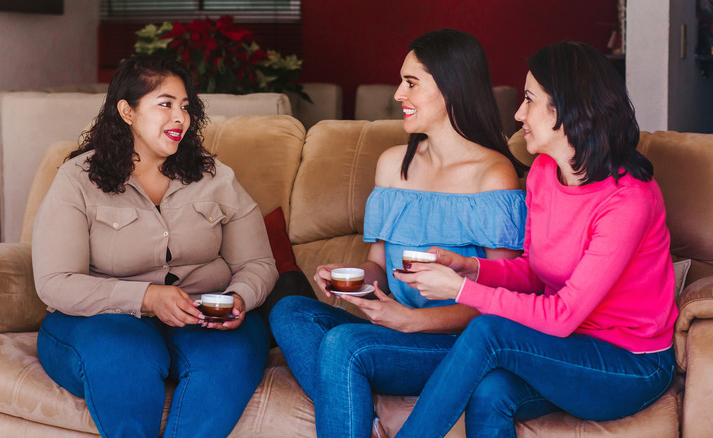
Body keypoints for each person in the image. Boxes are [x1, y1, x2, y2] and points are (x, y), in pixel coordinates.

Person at [394, 41, 679, 438]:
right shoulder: (545, 170)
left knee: (487, 330)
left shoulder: (628, 200)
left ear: (565, 109)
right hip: (565, 351)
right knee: (490, 392)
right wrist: (471, 269)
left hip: (629, 365)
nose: (517, 113)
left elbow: (561, 316)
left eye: (528, 100)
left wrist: (461, 291)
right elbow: (534, 271)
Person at [269, 29, 528, 438]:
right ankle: (364, 419)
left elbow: (507, 302)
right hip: (392, 334)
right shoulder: (394, 166)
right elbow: (377, 267)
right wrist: (354, 282)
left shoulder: (492, 175)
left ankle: (351, 400)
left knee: (344, 346)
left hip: (457, 346)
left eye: (411, 83)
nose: (397, 95)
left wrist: (411, 322)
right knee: (289, 312)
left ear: (451, 87)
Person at [32, 56, 278, 438]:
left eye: (185, 107)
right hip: (102, 321)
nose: (179, 117)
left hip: (202, 318)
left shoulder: (216, 176)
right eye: (165, 104)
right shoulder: (77, 180)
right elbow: (55, 281)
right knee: (125, 357)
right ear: (127, 111)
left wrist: (239, 298)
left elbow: (259, 262)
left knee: (232, 355)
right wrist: (146, 297)